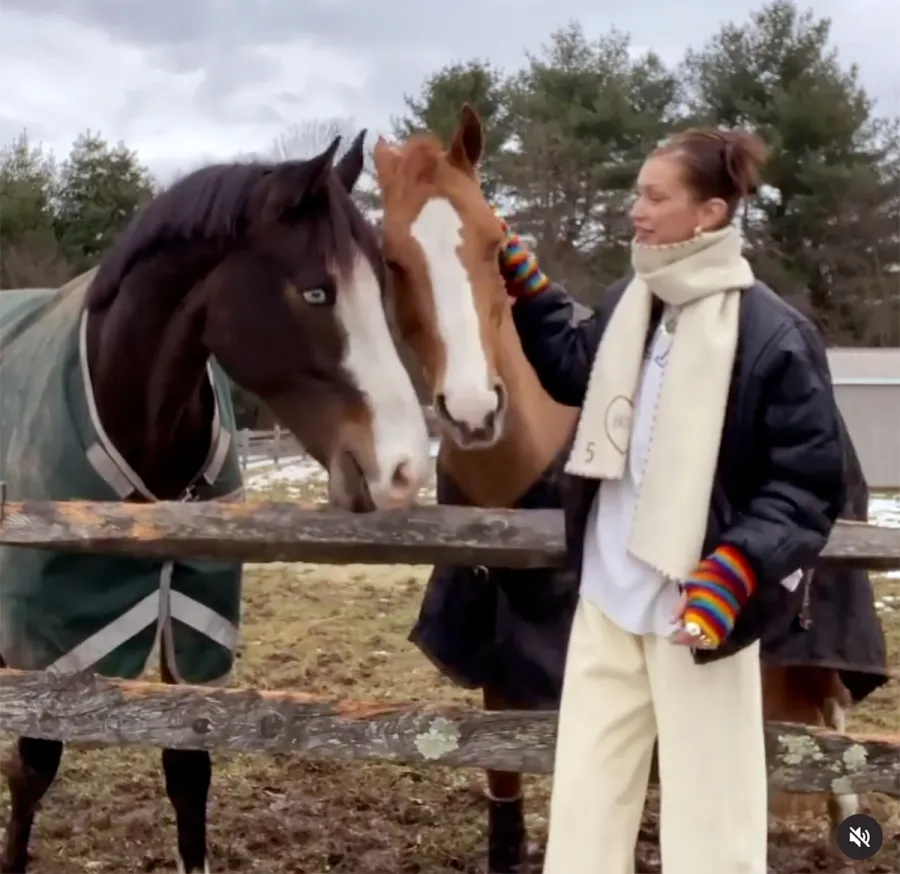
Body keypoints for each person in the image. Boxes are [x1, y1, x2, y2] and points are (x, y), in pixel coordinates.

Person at [497, 128, 847, 874]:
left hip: (702, 609)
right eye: (637, 194)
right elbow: (576, 372)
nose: (636, 211)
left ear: (709, 213)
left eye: (656, 197)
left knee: (712, 823)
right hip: (608, 596)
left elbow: (807, 485)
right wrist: (531, 292)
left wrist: (736, 569)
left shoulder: (774, 334)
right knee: (586, 808)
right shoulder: (633, 301)